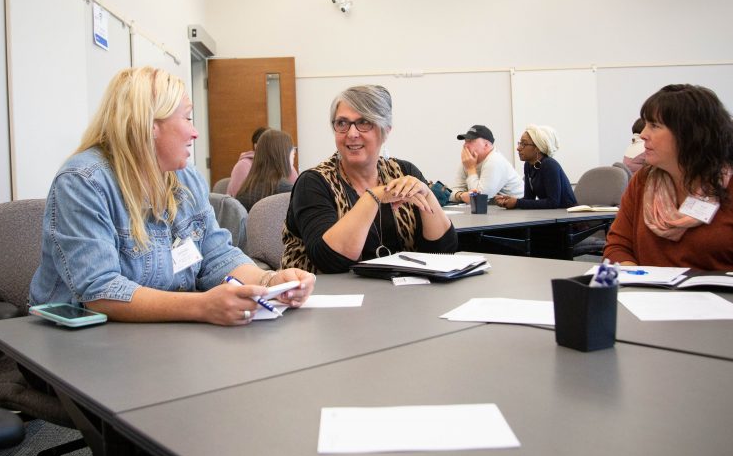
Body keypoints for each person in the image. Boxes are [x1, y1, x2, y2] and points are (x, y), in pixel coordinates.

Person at [29, 66, 315, 325]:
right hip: (78, 347)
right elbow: (100, 290)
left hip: (158, 339)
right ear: (150, 125)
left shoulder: (185, 178)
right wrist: (202, 306)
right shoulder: (83, 182)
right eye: (187, 118)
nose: (194, 133)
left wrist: (272, 281)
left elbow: (217, 256)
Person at [604, 84, 733, 271]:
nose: (643, 134)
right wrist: (637, 277)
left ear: (690, 135)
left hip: (728, 299)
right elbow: (618, 247)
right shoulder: (643, 181)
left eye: (654, 125)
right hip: (651, 298)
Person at [282, 85, 457, 273]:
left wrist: (427, 195)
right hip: (328, 297)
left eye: (364, 122)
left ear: (386, 130)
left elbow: (443, 252)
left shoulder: (404, 172)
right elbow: (329, 262)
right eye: (342, 123)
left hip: (401, 296)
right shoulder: (314, 182)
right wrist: (373, 197)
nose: (351, 134)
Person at [492, 125, 577, 210]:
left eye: (524, 144)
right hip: (550, 215)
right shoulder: (528, 165)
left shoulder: (549, 165)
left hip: (566, 217)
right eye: (520, 143)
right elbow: (529, 199)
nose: (518, 148)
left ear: (538, 148)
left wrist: (517, 203)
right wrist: (510, 201)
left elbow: (553, 203)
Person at [448, 125, 523, 204]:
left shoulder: (495, 160)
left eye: (470, 141)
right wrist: (460, 195)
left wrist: (470, 169)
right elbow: (451, 192)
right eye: (465, 141)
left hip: (518, 210)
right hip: (495, 210)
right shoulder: (468, 161)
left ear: (486, 145)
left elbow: (479, 198)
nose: (465, 145)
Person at [234, 129, 297, 212]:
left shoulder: (245, 189)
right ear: (282, 155)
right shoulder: (287, 192)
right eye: (292, 150)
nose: (294, 154)